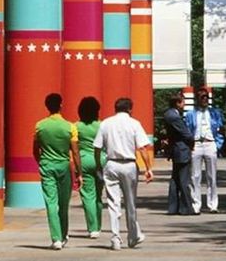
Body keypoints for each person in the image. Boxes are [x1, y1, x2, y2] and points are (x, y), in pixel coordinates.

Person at [93, 97, 153, 250]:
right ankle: (132, 236)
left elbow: (97, 148)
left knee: (113, 202)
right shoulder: (134, 124)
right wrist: (148, 168)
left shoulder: (105, 123)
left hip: (111, 163)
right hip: (129, 164)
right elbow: (142, 148)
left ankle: (115, 238)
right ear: (130, 109)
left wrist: (99, 166)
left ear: (115, 108)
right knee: (130, 202)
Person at [33, 93, 83, 250]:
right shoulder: (70, 127)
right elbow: (75, 152)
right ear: (61, 105)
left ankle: (56, 239)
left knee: (51, 202)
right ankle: (63, 234)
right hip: (64, 167)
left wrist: (41, 161)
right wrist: (79, 173)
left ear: (46, 106)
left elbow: (35, 150)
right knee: (63, 203)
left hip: (47, 166)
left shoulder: (39, 126)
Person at [184, 88, 225, 213]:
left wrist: (217, 144)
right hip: (196, 144)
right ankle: (196, 205)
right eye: (202, 97)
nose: (205, 99)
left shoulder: (214, 113)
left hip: (210, 143)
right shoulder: (191, 114)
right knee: (195, 176)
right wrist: (190, 144)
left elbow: (221, 129)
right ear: (197, 99)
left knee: (211, 176)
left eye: (206, 97)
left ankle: (213, 204)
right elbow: (187, 130)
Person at [76, 97, 104, 238]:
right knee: (99, 195)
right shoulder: (102, 125)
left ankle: (92, 228)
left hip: (84, 160)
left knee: (88, 195)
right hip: (101, 161)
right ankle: (99, 225)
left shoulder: (77, 126)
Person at [163, 93, 195, 215]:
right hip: (181, 150)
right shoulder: (174, 117)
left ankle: (173, 207)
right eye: (182, 102)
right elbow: (186, 134)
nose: (184, 104)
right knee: (183, 180)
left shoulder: (168, 114)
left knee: (175, 179)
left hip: (175, 150)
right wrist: (191, 143)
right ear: (177, 103)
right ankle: (186, 207)